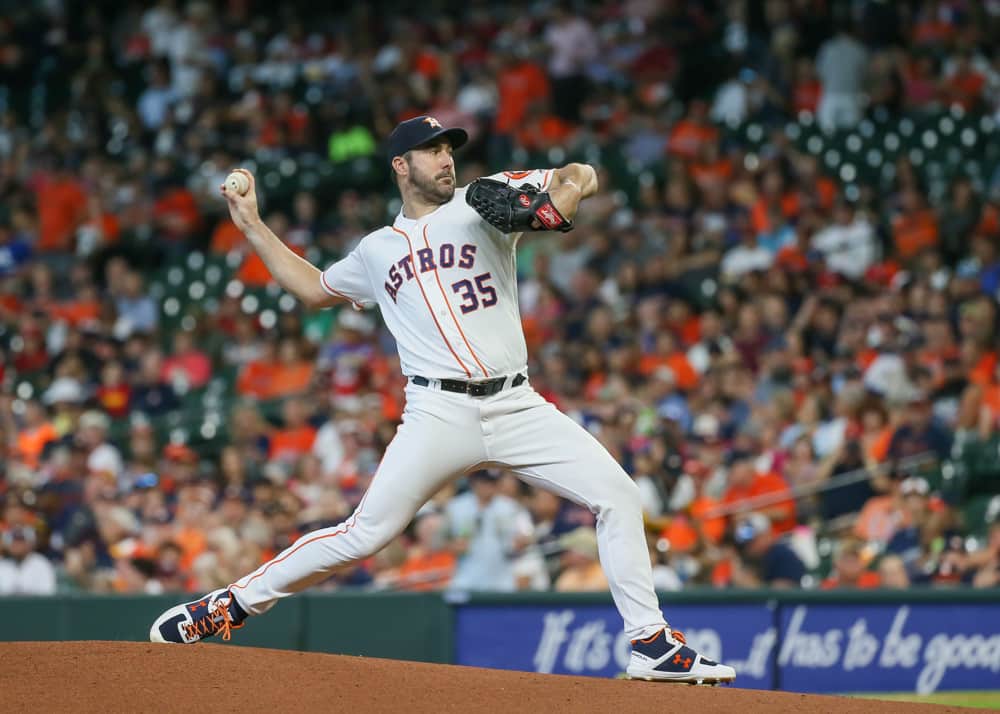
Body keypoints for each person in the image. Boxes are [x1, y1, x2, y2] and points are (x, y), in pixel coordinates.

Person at [149, 115, 735, 684]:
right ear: (402, 165)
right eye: (433, 150)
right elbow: (311, 288)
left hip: (516, 404)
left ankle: (651, 644)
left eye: (450, 147)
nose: (446, 157)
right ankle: (230, 605)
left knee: (619, 496)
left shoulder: (484, 200)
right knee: (364, 534)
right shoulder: (377, 250)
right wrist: (252, 225)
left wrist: (567, 195)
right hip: (438, 413)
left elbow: (580, 172)